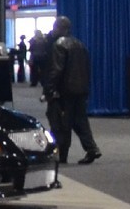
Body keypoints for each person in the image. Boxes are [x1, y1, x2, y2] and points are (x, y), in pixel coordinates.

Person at [40, 15, 100, 165]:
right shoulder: (80, 44)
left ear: (61, 28)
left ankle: (62, 156)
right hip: (80, 90)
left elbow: (56, 70)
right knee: (80, 121)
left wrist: (49, 90)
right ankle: (91, 148)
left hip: (64, 92)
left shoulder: (59, 45)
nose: (53, 30)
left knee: (61, 124)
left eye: (55, 27)